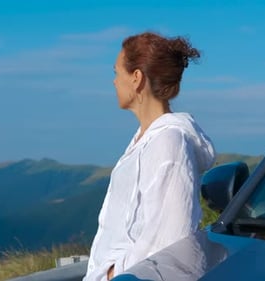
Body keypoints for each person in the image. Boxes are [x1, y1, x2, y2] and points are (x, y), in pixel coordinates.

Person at [83, 31, 216, 281]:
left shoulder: (169, 143)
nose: (113, 81)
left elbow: (172, 236)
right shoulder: (144, 140)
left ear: (136, 78)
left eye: (116, 72)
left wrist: (115, 273)